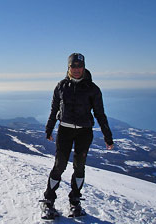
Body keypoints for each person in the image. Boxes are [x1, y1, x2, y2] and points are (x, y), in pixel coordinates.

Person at [41, 53, 114, 219]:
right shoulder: (61, 86)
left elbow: (100, 114)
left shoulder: (92, 89)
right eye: (73, 66)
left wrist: (107, 136)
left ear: (84, 67)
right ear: (68, 67)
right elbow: (54, 109)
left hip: (84, 132)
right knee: (59, 165)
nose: (76, 70)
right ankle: (48, 202)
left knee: (79, 166)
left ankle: (75, 202)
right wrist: (49, 128)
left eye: (79, 66)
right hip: (64, 130)